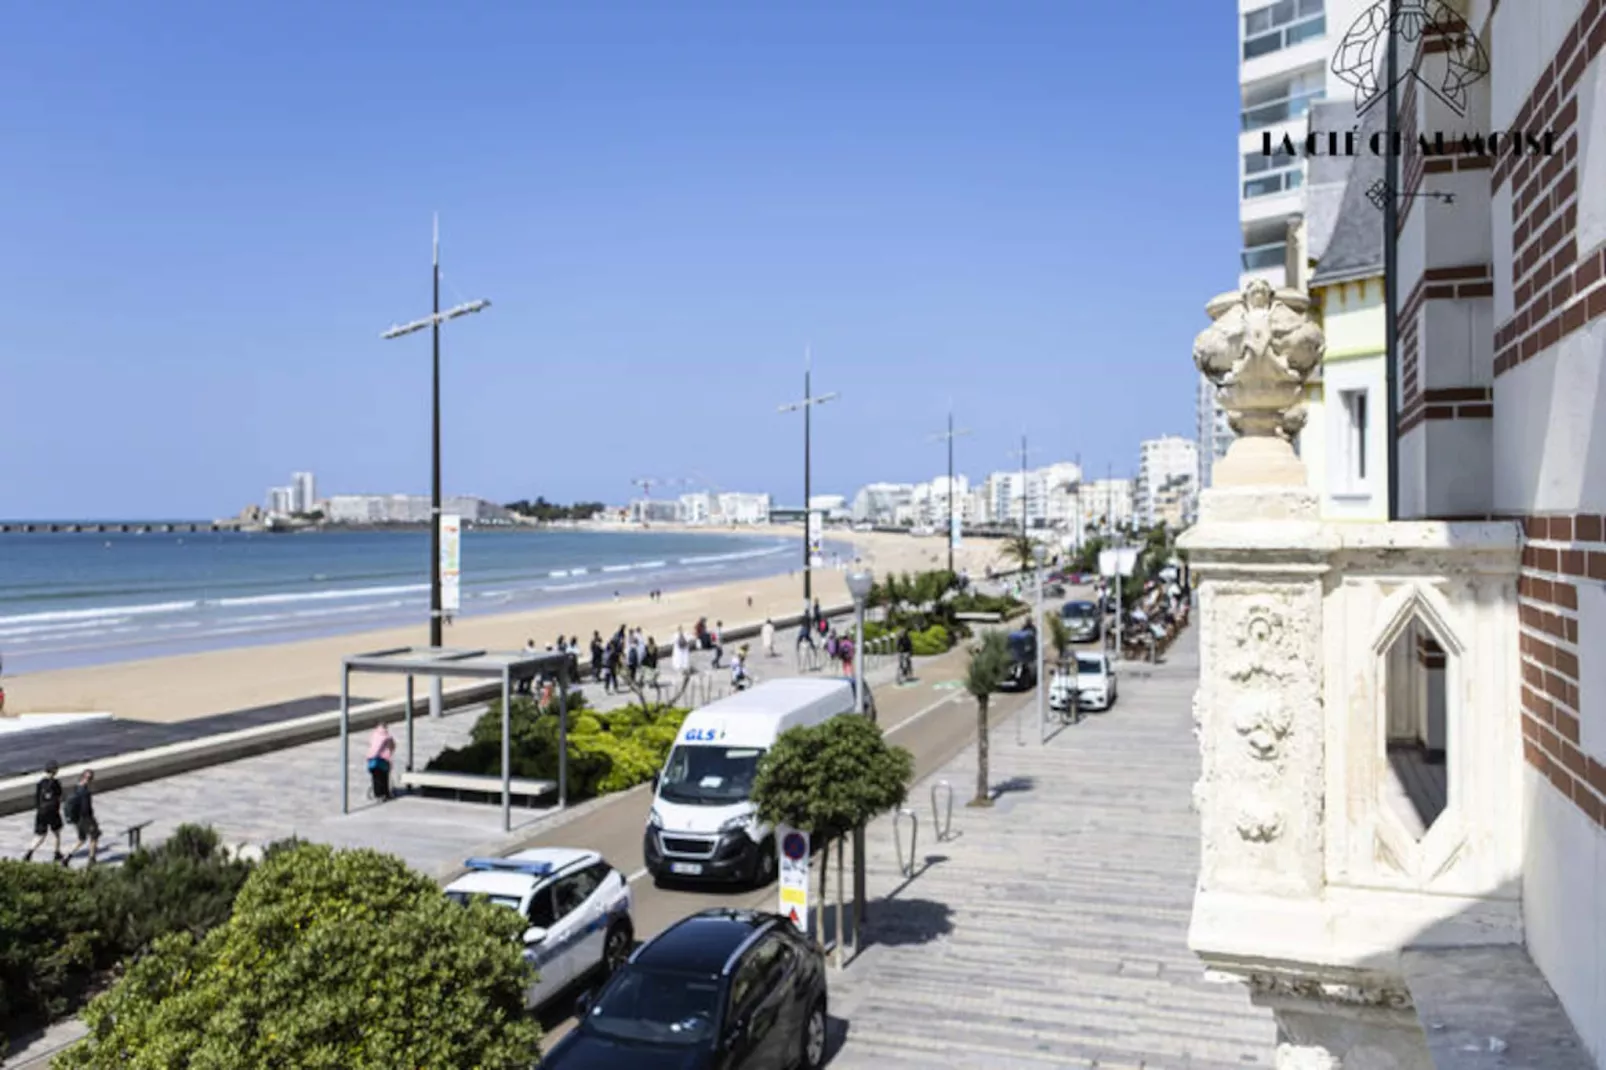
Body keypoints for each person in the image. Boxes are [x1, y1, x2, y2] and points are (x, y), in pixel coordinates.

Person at [23, 760, 64, 863]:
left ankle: (29, 852)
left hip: (41, 811)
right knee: (57, 832)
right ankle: (57, 853)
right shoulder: (56, 783)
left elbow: (37, 798)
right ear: (55, 771)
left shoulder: (40, 783)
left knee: (40, 834)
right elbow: (59, 796)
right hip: (53, 812)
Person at [62, 770, 100, 867]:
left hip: (76, 819)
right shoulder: (85, 792)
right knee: (94, 836)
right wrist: (91, 818)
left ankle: (68, 856)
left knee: (81, 839)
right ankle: (92, 859)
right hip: (86, 819)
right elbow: (86, 808)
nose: (89, 780)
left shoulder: (76, 788)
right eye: (89, 778)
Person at [367, 723, 397, 801]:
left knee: (376, 778)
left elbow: (372, 745)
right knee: (384, 778)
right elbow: (393, 746)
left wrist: (370, 756)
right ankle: (385, 793)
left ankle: (378, 794)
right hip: (383, 760)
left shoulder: (374, 735)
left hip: (373, 760)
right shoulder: (388, 736)